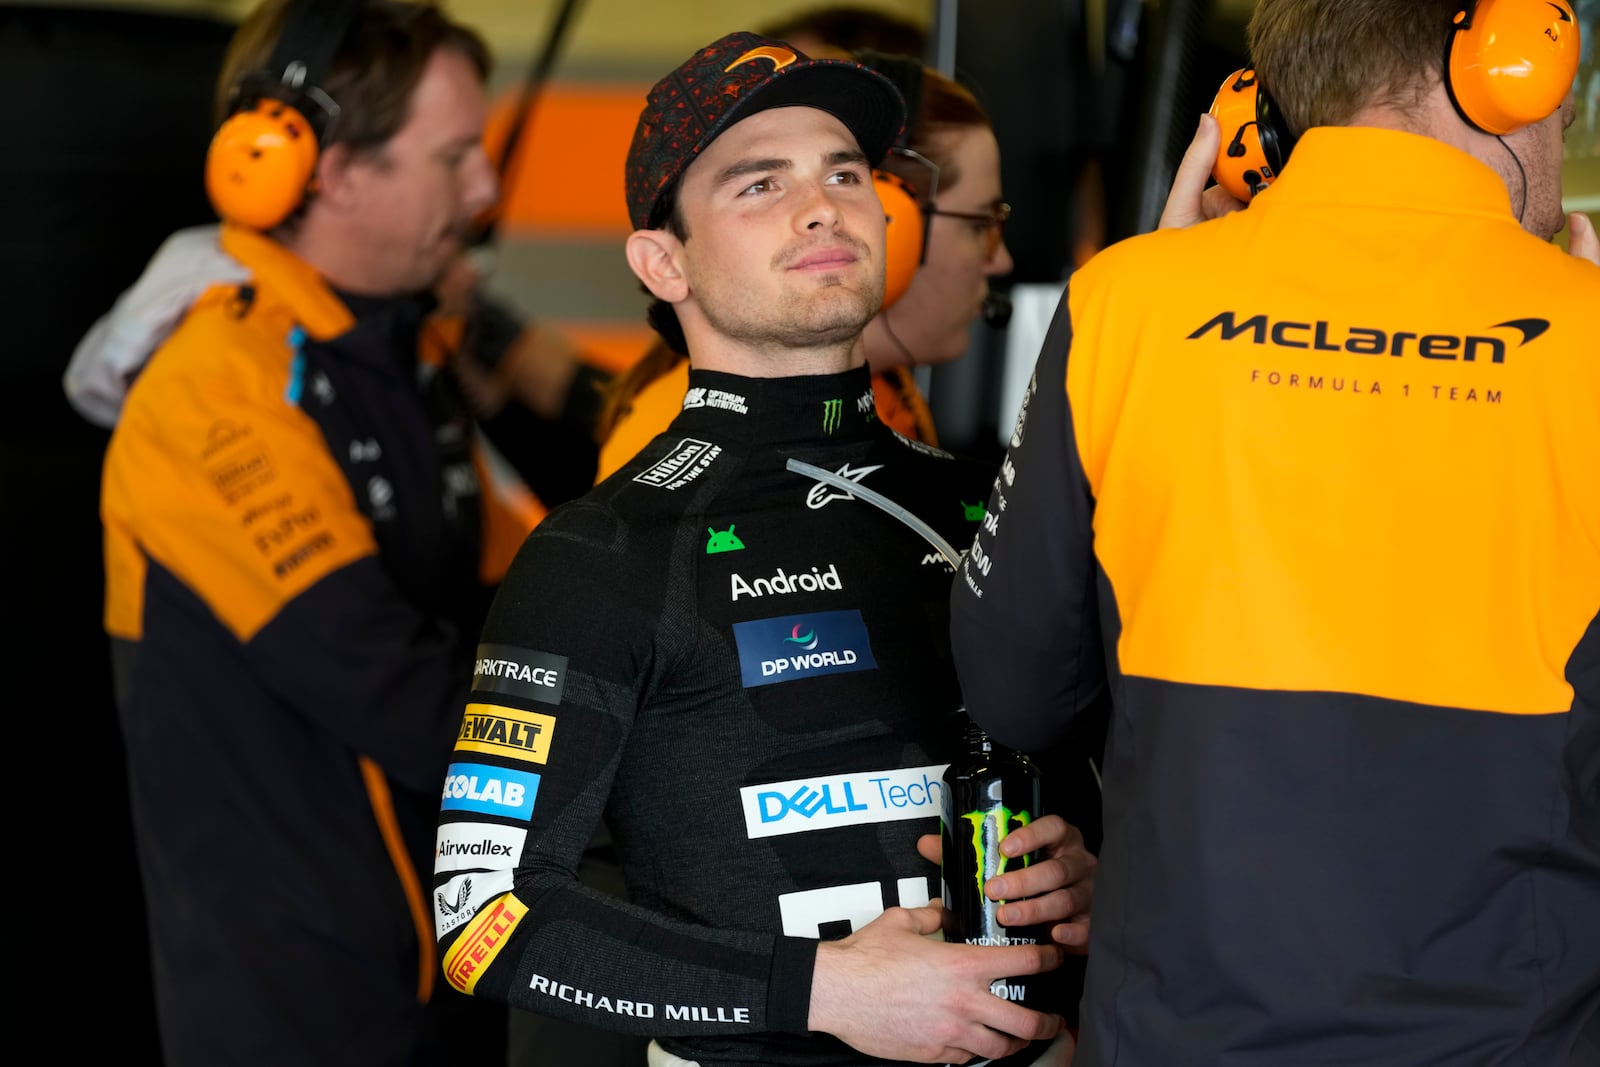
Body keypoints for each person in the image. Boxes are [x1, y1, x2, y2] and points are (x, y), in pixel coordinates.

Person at [949, 0, 1600, 1064]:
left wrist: (1155, 312)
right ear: (1510, 66)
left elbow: (1017, 689)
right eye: (1561, 116)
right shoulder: (1588, 336)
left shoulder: (1125, 304)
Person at [431, 30, 1097, 1067]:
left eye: (845, 172)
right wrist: (820, 989)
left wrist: (1088, 870)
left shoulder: (983, 508)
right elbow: (483, 919)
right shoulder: (603, 550)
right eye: (758, 184)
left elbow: (1104, 790)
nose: (821, 203)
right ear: (664, 262)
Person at [81, 0, 579, 1060]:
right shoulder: (217, 389)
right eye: (455, 157)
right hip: (300, 1010)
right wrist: (643, 780)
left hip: (446, 968)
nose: (487, 192)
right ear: (333, 171)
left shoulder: (396, 349)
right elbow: (394, 686)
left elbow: (535, 589)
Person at [591, 49, 1012, 482]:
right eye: (982, 225)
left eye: (843, 178)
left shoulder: (887, 399)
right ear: (896, 221)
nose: (825, 211)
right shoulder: (662, 448)